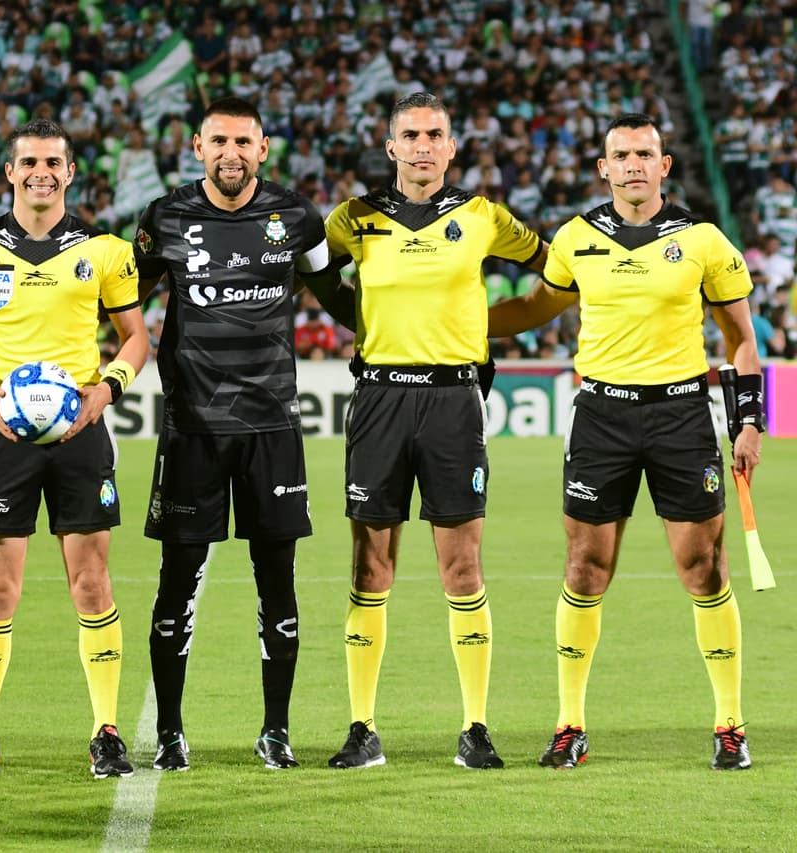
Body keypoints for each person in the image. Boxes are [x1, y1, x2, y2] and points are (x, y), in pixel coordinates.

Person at [489, 113, 762, 771]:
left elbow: (742, 339)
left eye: (646, 152)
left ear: (665, 165)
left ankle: (730, 724)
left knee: (704, 568)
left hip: (682, 415)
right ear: (603, 167)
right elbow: (533, 309)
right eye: (621, 154)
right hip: (601, 417)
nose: (634, 163)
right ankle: (569, 725)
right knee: (585, 567)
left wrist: (749, 419)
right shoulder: (577, 236)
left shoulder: (702, 240)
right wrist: (452, 318)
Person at [314, 92, 546, 771]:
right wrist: (356, 315)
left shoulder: (483, 218)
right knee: (370, 566)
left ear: (452, 147)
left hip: (453, 400)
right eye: (409, 135)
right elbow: (315, 274)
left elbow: (557, 273)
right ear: (390, 147)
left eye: (434, 134)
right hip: (380, 397)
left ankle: (475, 726)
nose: (421, 145)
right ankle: (362, 728)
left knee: (462, 566)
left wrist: (494, 326)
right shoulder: (353, 218)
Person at [0, 118, 148, 779]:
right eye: (29, 161)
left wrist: (104, 391)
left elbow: (136, 337)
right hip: (3, 435)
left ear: (71, 171)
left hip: (80, 434)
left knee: (93, 582)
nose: (41, 171)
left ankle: (106, 731)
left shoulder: (105, 251)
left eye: (54, 161)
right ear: (10, 171)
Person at [131, 96, 331, 771]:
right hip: (193, 430)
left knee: (277, 579)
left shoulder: (297, 218)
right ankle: (169, 733)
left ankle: (276, 730)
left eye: (243, 142)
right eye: (219, 141)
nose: (231, 153)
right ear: (197, 147)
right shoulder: (164, 219)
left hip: (271, 426)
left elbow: (340, 296)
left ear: (263, 148)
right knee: (177, 580)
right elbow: (122, 302)